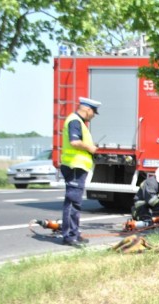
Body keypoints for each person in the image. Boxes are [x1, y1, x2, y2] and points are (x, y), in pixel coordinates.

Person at [60, 97, 101, 247]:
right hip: (74, 166)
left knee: (75, 202)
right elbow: (74, 142)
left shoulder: (78, 122)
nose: (93, 116)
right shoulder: (75, 121)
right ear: (87, 109)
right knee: (72, 202)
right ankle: (69, 236)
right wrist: (90, 148)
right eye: (93, 112)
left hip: (77, 166)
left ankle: (74, 233)